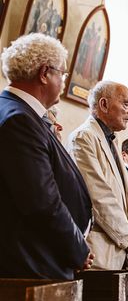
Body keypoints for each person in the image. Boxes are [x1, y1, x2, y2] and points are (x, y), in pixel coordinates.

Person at [0, 33, 93, 279]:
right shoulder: (19, 120)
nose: (64, 82)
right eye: (62, 74)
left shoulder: (23, 114)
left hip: (39, 258)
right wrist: (77, 248)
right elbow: (42, 202)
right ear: (44, 74)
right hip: (31, 263)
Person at [67, 81, 128, 270]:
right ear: (103, 105)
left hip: (119, 251)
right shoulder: (83, 138)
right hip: (100, 254)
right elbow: (99, 196)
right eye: (126, 104)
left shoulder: (112, 140)